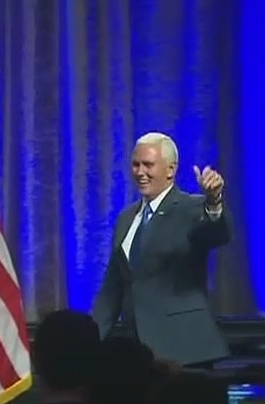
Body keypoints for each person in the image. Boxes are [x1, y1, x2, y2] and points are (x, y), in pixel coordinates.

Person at [90, 132, 232, 367]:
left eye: (148, 165)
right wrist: (89, 343)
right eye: (136, 164)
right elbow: (112, 289)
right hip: (139, 354)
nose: (140, 172)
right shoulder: (126, 218)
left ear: (170, 170)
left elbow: (218, 234)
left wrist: (214, 202)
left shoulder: (192, 208)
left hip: (185, 351)